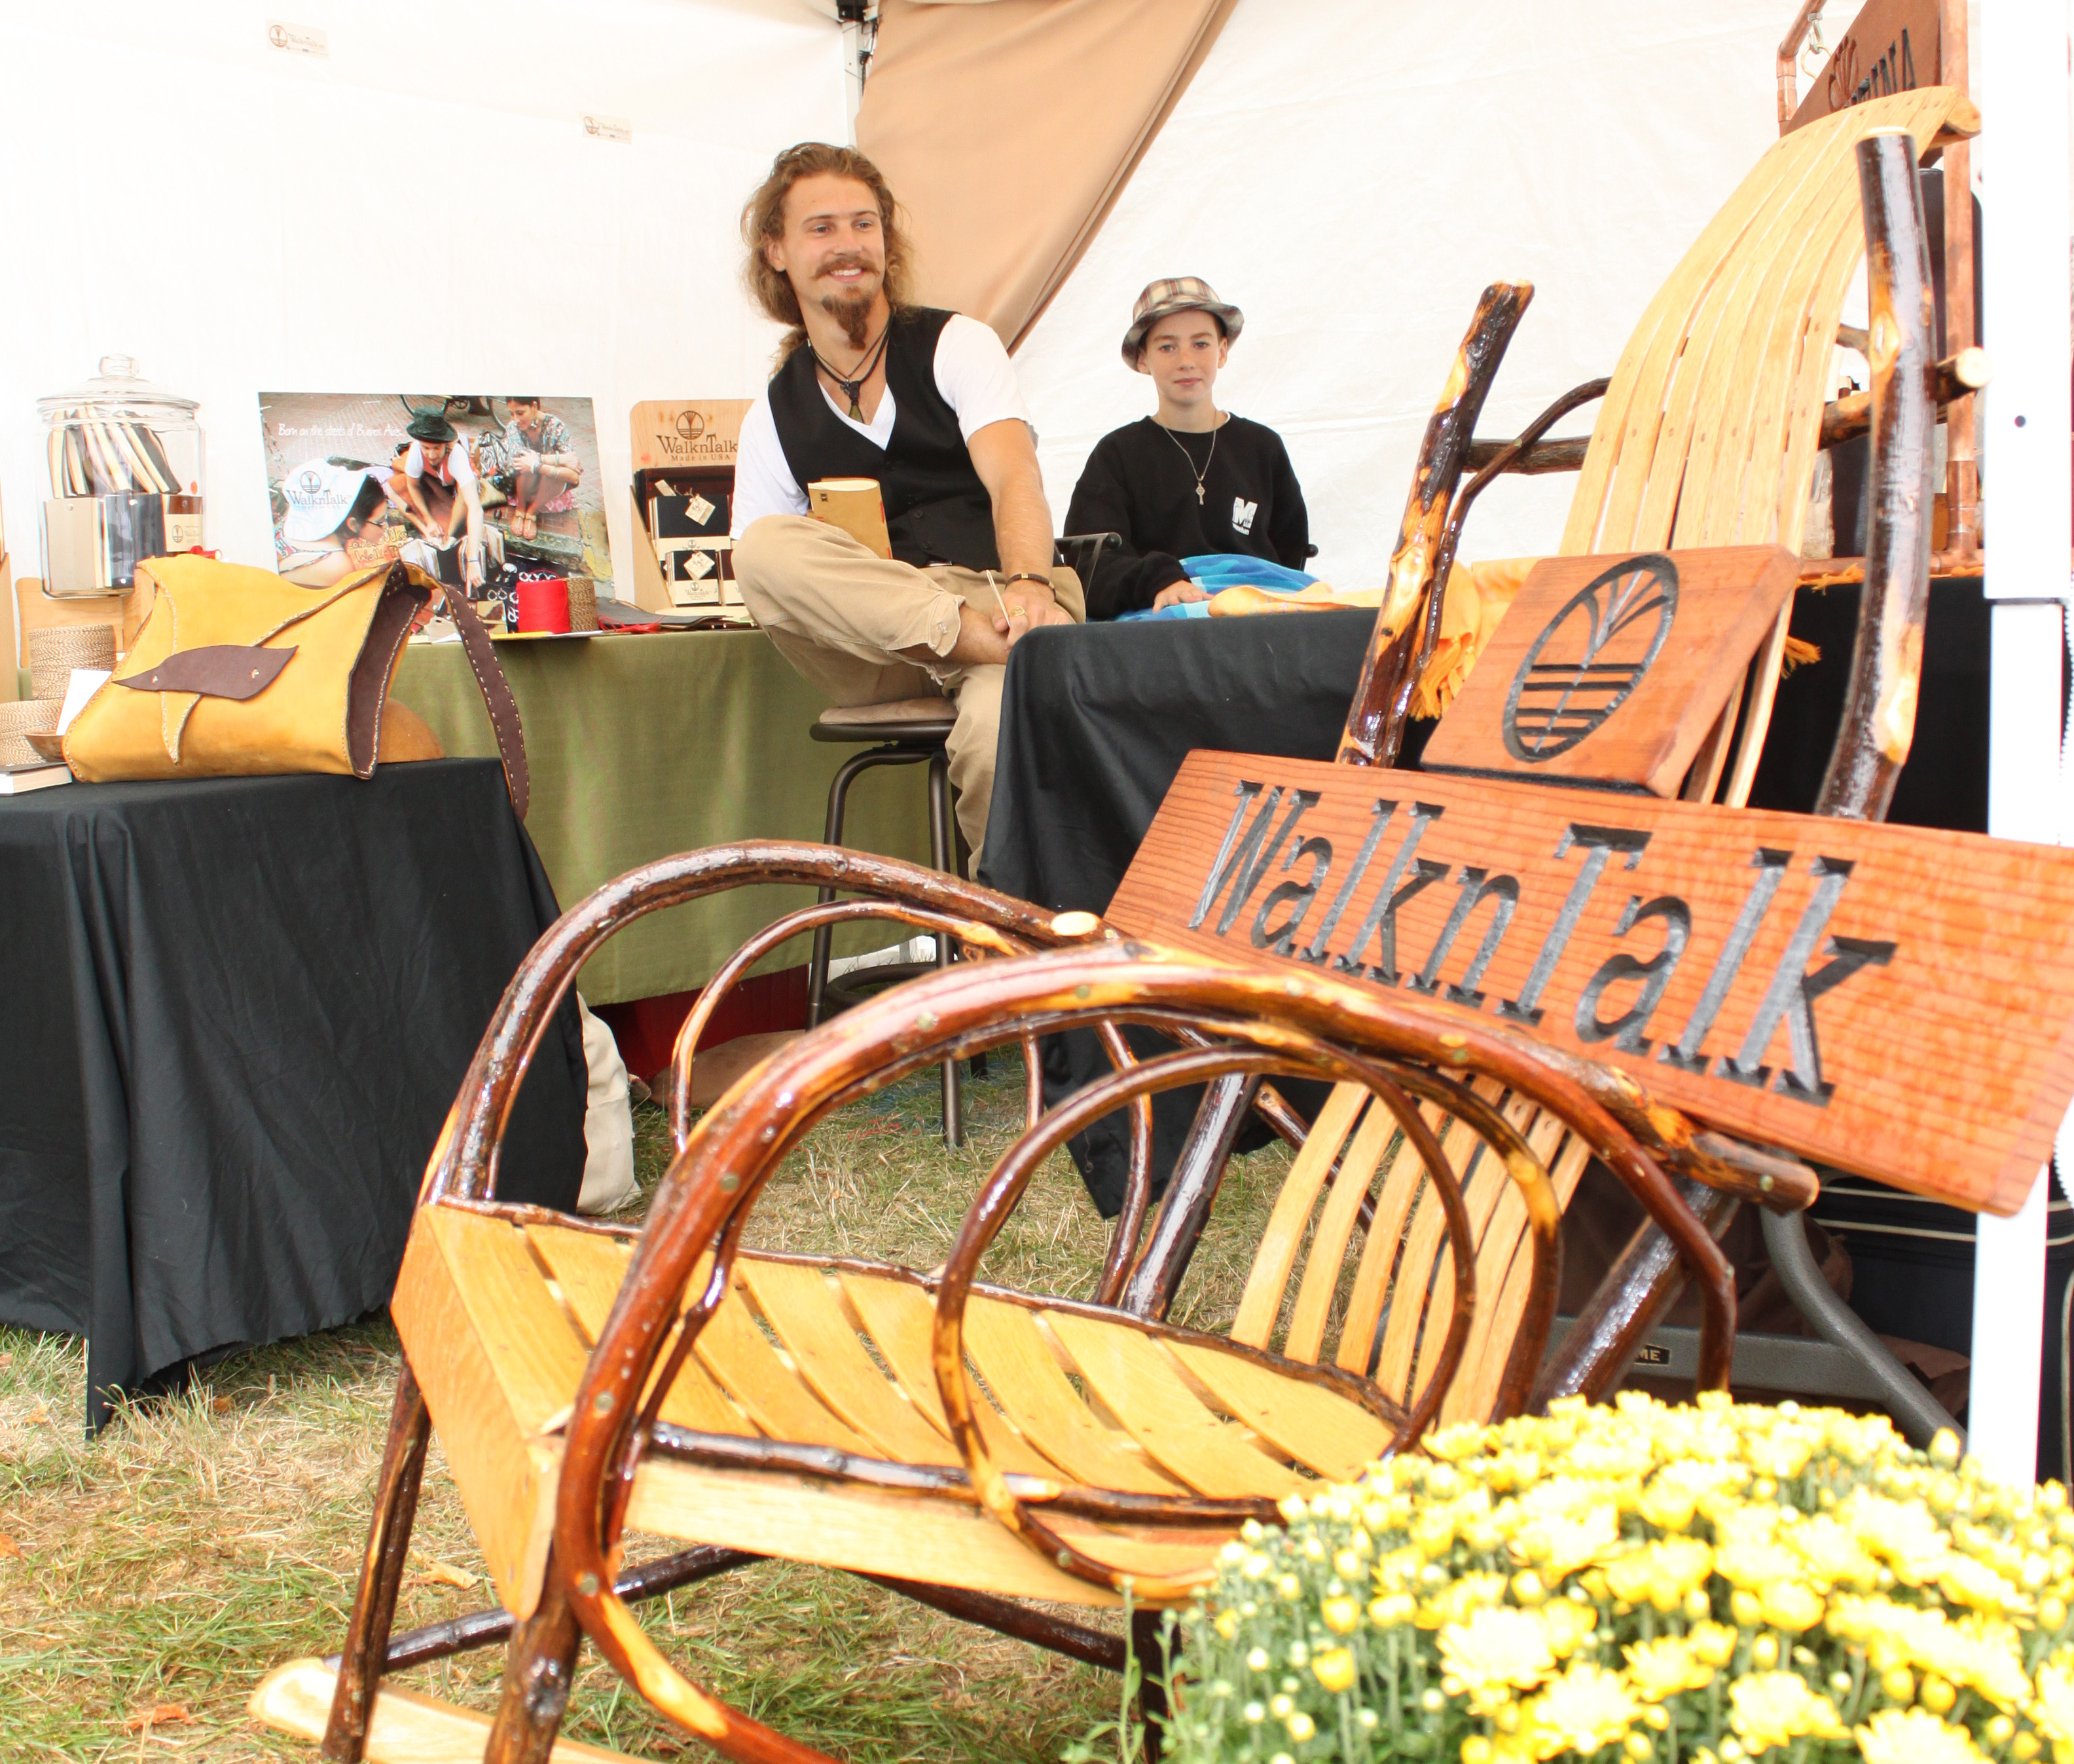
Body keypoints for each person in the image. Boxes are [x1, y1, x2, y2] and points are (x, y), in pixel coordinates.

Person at [729, 141, 1083, 862]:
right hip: (881, 646)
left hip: (1002, 598)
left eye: (864, 224)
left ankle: (1004, 927)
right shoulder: (773, 413)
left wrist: (1027, 584)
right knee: (761, 547)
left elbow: (1015, 478)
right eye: (822, 227)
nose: (848, 244)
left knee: (999, 731)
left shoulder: (958, 343)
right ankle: (997, 648)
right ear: (776, 251)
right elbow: (770, 578)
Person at [1065, 277, 1311, 620]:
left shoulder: (1263, 448)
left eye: (1201, 344)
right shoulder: (1116, 455)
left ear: (1222, 352)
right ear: (1143, 359)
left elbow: (1291, 555)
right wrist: (1157, 581)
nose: (1186, 360)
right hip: (1162, 621)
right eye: (1167, 347)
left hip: (1260, 611)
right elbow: (1088, 567)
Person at [391, 411, 495, 592]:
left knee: (465, 499)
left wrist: (473, 560)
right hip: (435, 484)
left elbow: (475, 509)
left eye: (436, 448)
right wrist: (429, 520)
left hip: (455, 488)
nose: (431, 455)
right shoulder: (415, 450)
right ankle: (427, 530)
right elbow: (412, 486)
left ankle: (450, 538)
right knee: (392, 488)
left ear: (446, 444)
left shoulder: (457, 456)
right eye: (426, 448)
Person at [274, 460, 399, 587]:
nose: (386, 527)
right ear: (353, 524)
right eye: (380, 521)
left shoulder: (295, 522)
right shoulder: (337, 564)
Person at [482, 396, 581, 539]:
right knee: (524, 465)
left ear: (534, 407)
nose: (515, 419)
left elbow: (574, 478)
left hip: (549, 489)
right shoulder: (513, 428)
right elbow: (517, 464)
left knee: (550, 473)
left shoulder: (557, 428)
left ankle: (532, 512)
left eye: (520, 413)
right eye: (512, 413)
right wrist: (559, 460)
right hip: (523, 484)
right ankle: (521, 509)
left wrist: (537, 464)